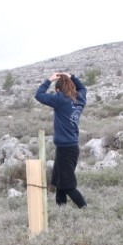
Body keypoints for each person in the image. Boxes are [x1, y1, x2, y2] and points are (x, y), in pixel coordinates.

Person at [34, 72, 87, 208]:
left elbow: (39, 95)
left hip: (65, 149)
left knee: (68, 185)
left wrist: (49, 80)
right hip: (71, 147)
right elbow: (83, 88)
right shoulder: (79, 98)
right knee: (59, 182)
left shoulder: (60, 99)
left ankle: (85, 208)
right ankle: (61, 210)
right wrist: (72, 76)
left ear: (58, 89)